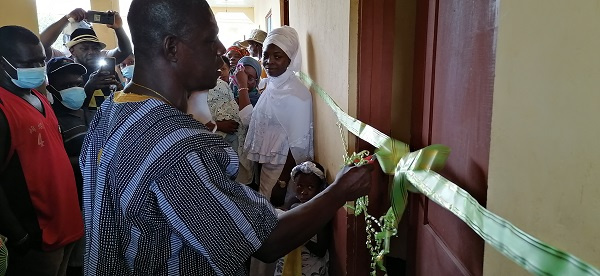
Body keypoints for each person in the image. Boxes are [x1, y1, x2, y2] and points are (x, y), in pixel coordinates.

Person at [80, 0, 372, 275]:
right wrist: (340, 191)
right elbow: (266, 241)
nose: (221, 49)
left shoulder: (111, 110)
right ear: (172, 48)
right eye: (210, 39)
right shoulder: (177, 146)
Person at [0, 25, 83, 276]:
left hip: (67, 225)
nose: (37, 68)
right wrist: (19, 236)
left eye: (41, 61)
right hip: (37, 238)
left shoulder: (38, 95)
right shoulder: (3, 109)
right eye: (28, 63)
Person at [237, 26, 314, 205]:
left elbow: (299, 147)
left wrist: (285, 181)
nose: (269, 61)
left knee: (275, 211)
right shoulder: (271, 86)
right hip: (266, 166)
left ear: (290, 59)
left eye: (277, 56)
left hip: (282, 172)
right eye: (266, 55)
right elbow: (252, 120)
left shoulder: (298, 95)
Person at [46, 57, 89, 276]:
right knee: (72, 264)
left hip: (91, 200)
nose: (75, 89)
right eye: (66, 86)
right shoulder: (52, 119)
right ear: (51, 88)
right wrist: (90, 160)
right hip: (70, 203)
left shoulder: (90, 112)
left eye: (78, 84)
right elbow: (53, 161)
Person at [40, 9, 131, 113]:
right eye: (84, 48)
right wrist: (66, 19)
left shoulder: (107, 71)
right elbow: (41, 46)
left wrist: (118, 28)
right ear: (72, 51)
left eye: (95, 48)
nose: (91, 52)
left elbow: (125, 51)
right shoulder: (65, 70)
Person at [274, 161, 330, 276]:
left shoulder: (320, 212)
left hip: (310, 267)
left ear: (320, 189)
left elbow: (321, 250)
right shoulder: (292, 203)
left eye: (310, 187)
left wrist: (300, 235)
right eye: (300, 186)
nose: (304, 192)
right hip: (287, 260)